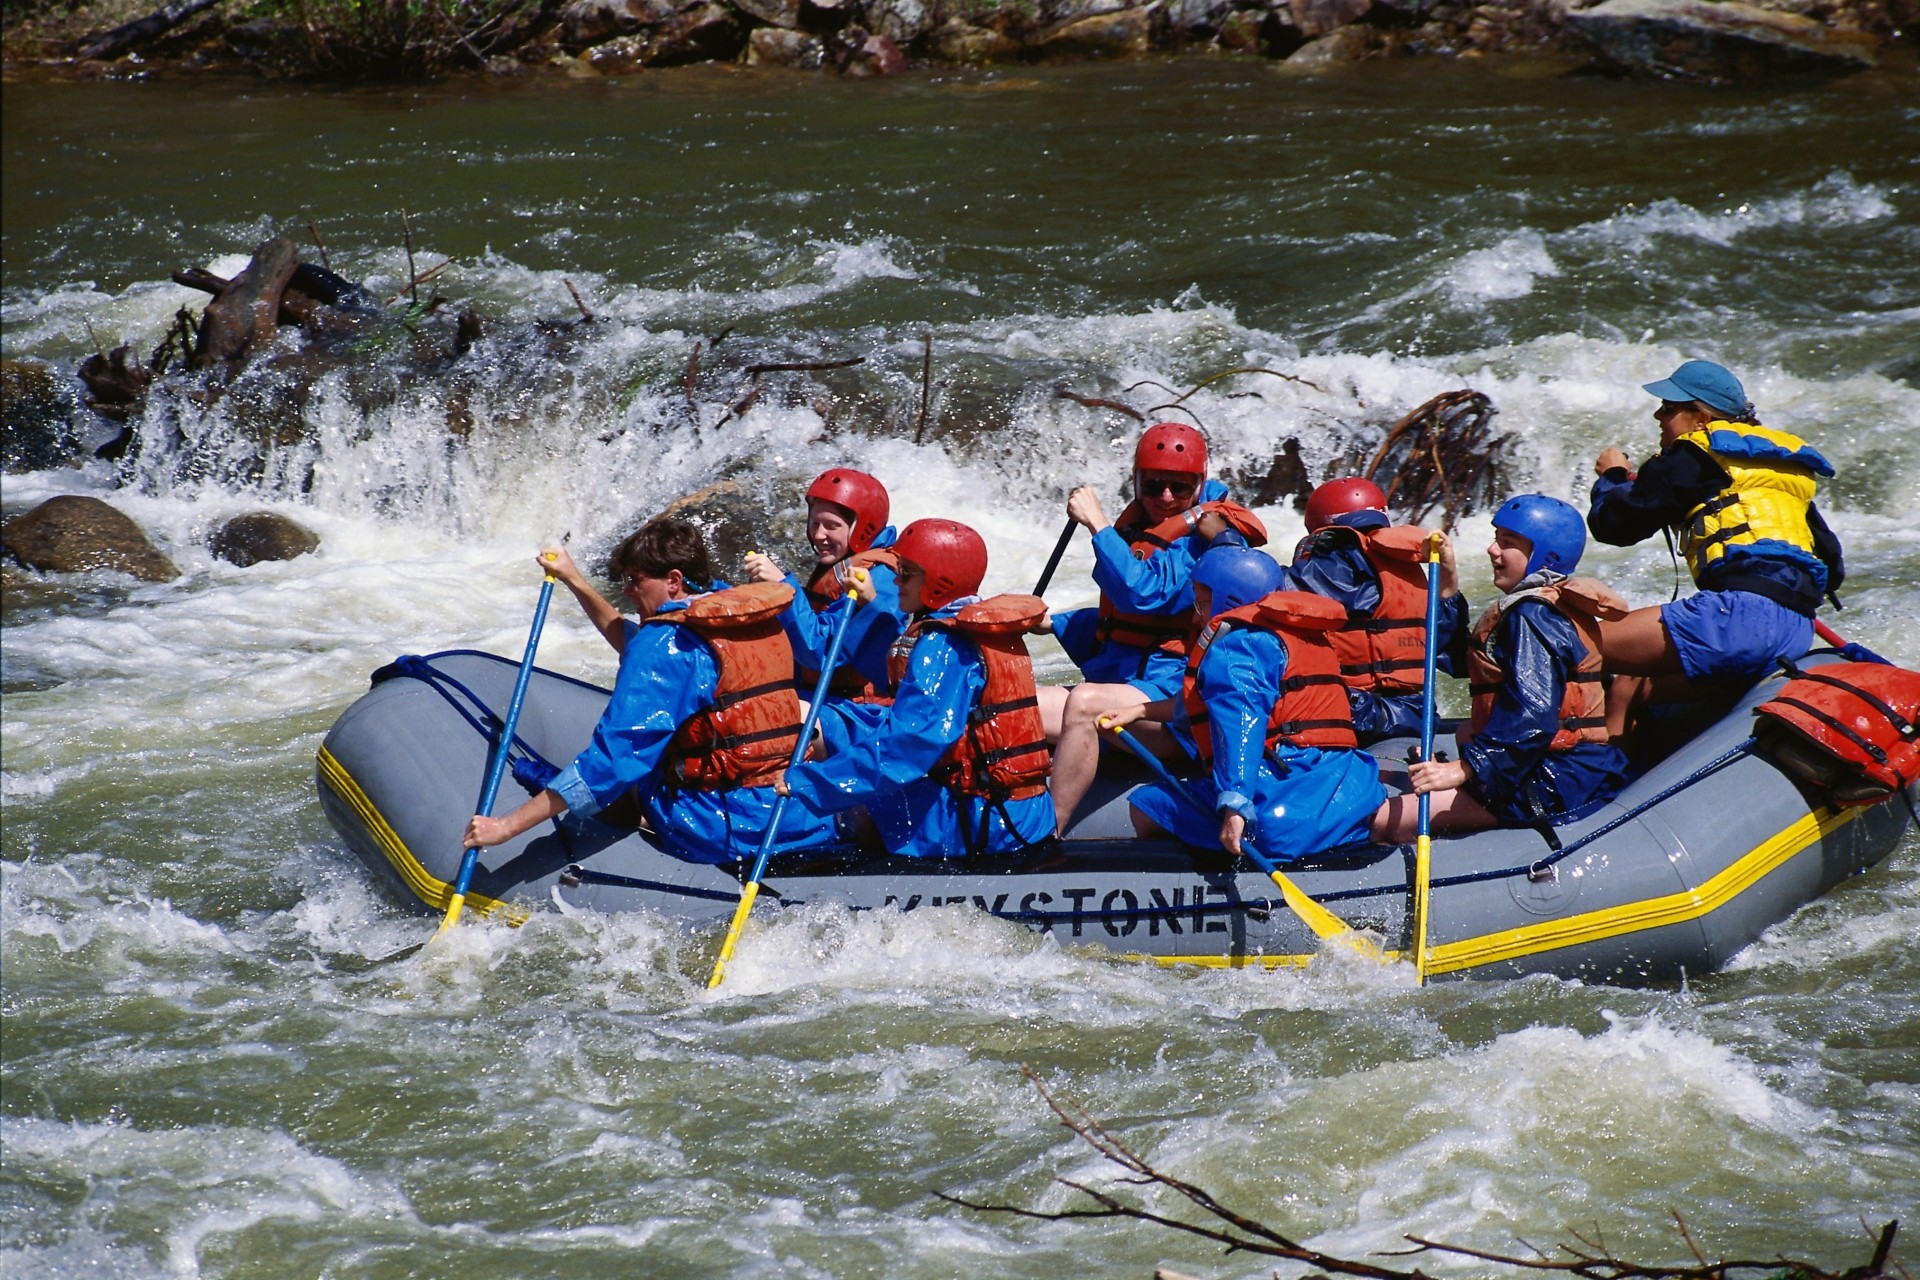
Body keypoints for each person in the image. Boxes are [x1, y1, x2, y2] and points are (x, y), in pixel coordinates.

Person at [462, 517, 840, 865]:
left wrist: (505, 828)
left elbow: (611, 763)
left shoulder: (667, 643)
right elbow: (641, 644)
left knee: (631, 778)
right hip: (791, 805)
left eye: (634, 581)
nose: (626, 592)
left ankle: (641, 827)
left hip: (720, 822)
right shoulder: (745, 612)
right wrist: (575, 580)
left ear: (673, 581)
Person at [1587, 359, 1844, 728]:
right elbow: (1831, 565)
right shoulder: (1779, 469)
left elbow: (1613, 525)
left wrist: (1611, 477)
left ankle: (1596, 775)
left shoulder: (1692, 454)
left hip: (1734, 621)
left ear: (1702, 418)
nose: (1659, 416)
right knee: (1632, 686)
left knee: (1566, 644)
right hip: (1795, 632)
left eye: (1670, 408)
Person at [1036, 421, 1266, 834]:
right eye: (1154, 484)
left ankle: (1047, 831)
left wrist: (1097, 525)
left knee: (1085, 701)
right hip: (1130, 686)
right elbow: (1128, 627)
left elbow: (1144, 594)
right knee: (1013, 699)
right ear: (1136, 480)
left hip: (1175, 707)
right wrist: (1053, 622)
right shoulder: (1142, 527)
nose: (1166, 497)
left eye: (1180, 487)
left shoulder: (1205, 540)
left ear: (1200, 484)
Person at [777, 518, 1055, 857]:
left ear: (939, 582)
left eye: (907, 573)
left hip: (985, 826)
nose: (895, 580)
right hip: (1023, 815)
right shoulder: (974, 629)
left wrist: (807, 783)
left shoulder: (943, 645)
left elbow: (907, 747)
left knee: (850, 814)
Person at [1372, 496, 1630, 842]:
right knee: (1464, 731)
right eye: (1496, 538)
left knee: (1379, 821)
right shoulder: (1539, 606)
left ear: (1545, 556)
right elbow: (1465, 663)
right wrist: (1448, 583)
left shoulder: (1534, 617)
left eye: (1507, 543)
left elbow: (1533, 715)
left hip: (1550, 777)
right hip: (1555, 766)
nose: (1493, 550)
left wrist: (1464, 769)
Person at [1103, 546, 1386, 859]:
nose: (1197, 613)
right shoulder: (1303, 635)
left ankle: (1212, 878)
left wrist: (1235, 804)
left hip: (1281, 811)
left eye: (1202, 600)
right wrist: (1140, 710)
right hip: (1347, 791)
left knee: (1146, 804)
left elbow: (1240, 723)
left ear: (1230, 598)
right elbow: (1200, 703)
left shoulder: (1238, 646)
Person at [1285, 477, 1468, 743]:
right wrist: (1448, 591)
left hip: (1366, 715)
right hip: (1417, 714)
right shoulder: (1408, 569)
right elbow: (1453, 656)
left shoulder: (1341, 560)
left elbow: (1267, 592)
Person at [742, 467, 907, 702]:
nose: (819, 535)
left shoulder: (882, 580)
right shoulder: (841, 560)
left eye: (831, 526)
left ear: (862, 528)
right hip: (820, 696)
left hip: (858, 711)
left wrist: (783, 588)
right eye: (815, 523)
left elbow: (820, 651)